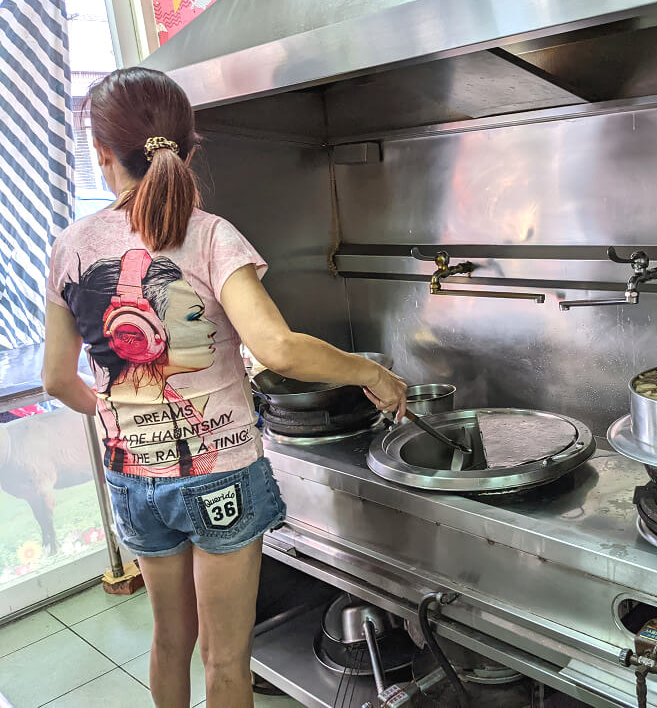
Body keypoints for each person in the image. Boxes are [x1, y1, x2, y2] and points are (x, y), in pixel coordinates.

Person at [42, 66, 407, 708]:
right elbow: (278, 349)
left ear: (102, 153)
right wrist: (371, 371)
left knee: (168, 642)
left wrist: (117, 412)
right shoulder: (210, 234)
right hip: (221, 478)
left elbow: (55, 379)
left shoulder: (70, 246)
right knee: (226, 657)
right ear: (190, 147)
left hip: (134, 478)